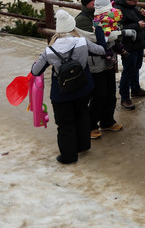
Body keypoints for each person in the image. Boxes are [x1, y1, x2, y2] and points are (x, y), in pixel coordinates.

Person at [31, 9, 105, 164]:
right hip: (83, 87)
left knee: (65, 123)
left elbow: (36, 71)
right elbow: (100, 51)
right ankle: (83, 146)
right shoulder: (82, 42)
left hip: (62, 92)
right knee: (82, 115)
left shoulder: (49, 50)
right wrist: (98, 33)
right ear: (73, 27)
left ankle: (69, 156)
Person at [79, 0, 128, 138]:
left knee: (110, 93)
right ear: (86, 3)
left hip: (108, 61)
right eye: (92, 2)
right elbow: (94, 40)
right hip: (95, 64)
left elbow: (110, 32)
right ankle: (91, 124)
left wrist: (117, 42)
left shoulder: (104, 16)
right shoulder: (83, 20)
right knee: (98, 95)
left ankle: (107, 121)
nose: (94, 4)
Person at [115, 0, 145, 110]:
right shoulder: (119, 9)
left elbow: (137, 18)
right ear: (127, 0)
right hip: (128, 45)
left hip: (138, 43)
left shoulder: (131, 6)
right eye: (134, 1)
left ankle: (135, 89)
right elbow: (119, 27)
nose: (137, 3)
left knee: (136, 67)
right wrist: (136, 25)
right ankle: (125, 97)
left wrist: (143, 15)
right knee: (128, 71)